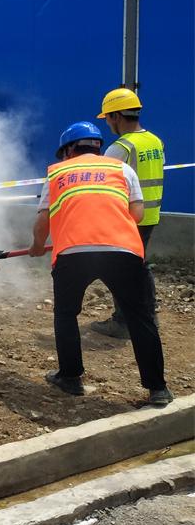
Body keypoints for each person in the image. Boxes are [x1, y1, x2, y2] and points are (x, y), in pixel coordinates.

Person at [28, 121, 172, 406]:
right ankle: (158, 389)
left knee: (66, 314)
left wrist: (37, 245)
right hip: (123, 250)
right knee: (140, 316)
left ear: (69, 149)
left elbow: (44, 219)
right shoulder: (122, 169)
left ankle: (70, 377)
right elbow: (138, 214)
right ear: (96, 146)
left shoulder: (57, 172)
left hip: (73, 252)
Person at [91, 88, 164, 339]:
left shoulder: (120, 148)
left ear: (116, 116)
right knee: (139, 266)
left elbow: (103, 188)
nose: (108, 124)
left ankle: (124, 322)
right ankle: (147, 315)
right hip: (150, 215)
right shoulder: (155, 141)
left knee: (121, 269)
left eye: (108, 118)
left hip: (126, 218)